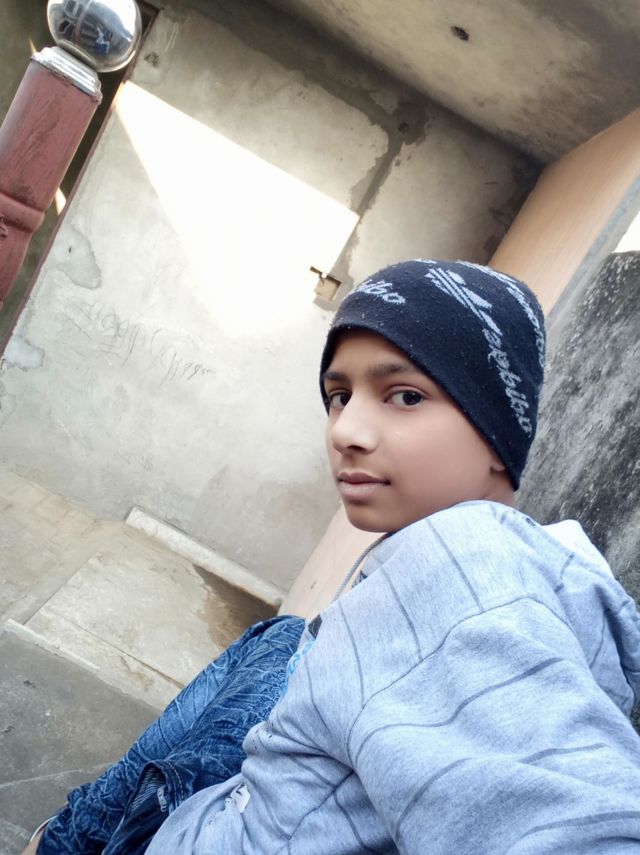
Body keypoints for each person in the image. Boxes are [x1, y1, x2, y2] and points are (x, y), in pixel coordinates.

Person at [28, 259, 640, 853]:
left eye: (405, 396)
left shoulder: (465, 576)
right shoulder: (519, 561)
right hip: (233, 806)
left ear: (497, 428)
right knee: (278, 640)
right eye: (339, 395)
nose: (344, 431)